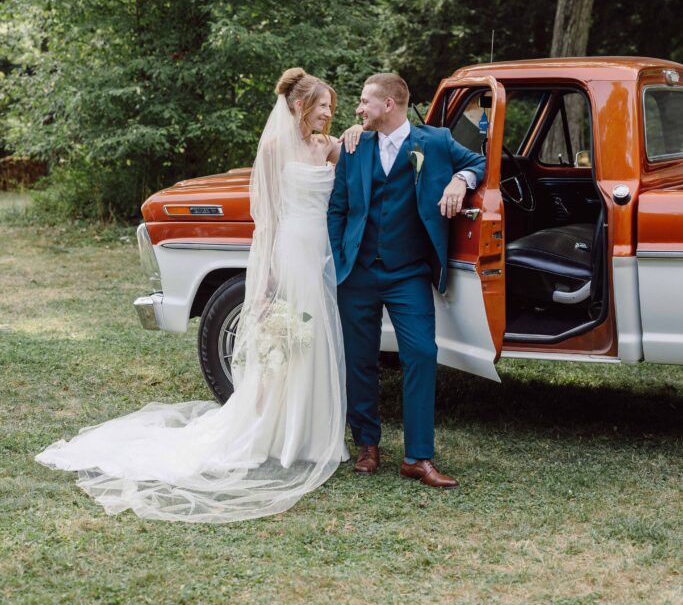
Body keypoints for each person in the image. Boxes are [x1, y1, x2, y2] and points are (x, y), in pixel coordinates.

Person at [36, 68, 348, 523]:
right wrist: (269, 276)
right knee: (284, 344)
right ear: (301, 106)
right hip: (290, 250)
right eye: (322, 105)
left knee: (315, 338)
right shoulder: (274, 148)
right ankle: (276, 434)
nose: (328, 113)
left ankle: (311, 436)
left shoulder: (328, 146)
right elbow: (270, 217)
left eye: (332, 109)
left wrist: (356, 130)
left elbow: (357, 153)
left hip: (321, 252)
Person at [327, 72, 486, 489]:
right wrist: (342, 256)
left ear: (389, 105)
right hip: (357, 272)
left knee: (421, 354)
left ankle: (418, 457)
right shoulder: (355, 146)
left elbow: (478, 163)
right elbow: (338, 208)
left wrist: (458, 180)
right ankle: (367, 443)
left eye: (365, 102)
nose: (358, 109)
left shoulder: (433, 142)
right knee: (359, 360)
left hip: (408, 273)